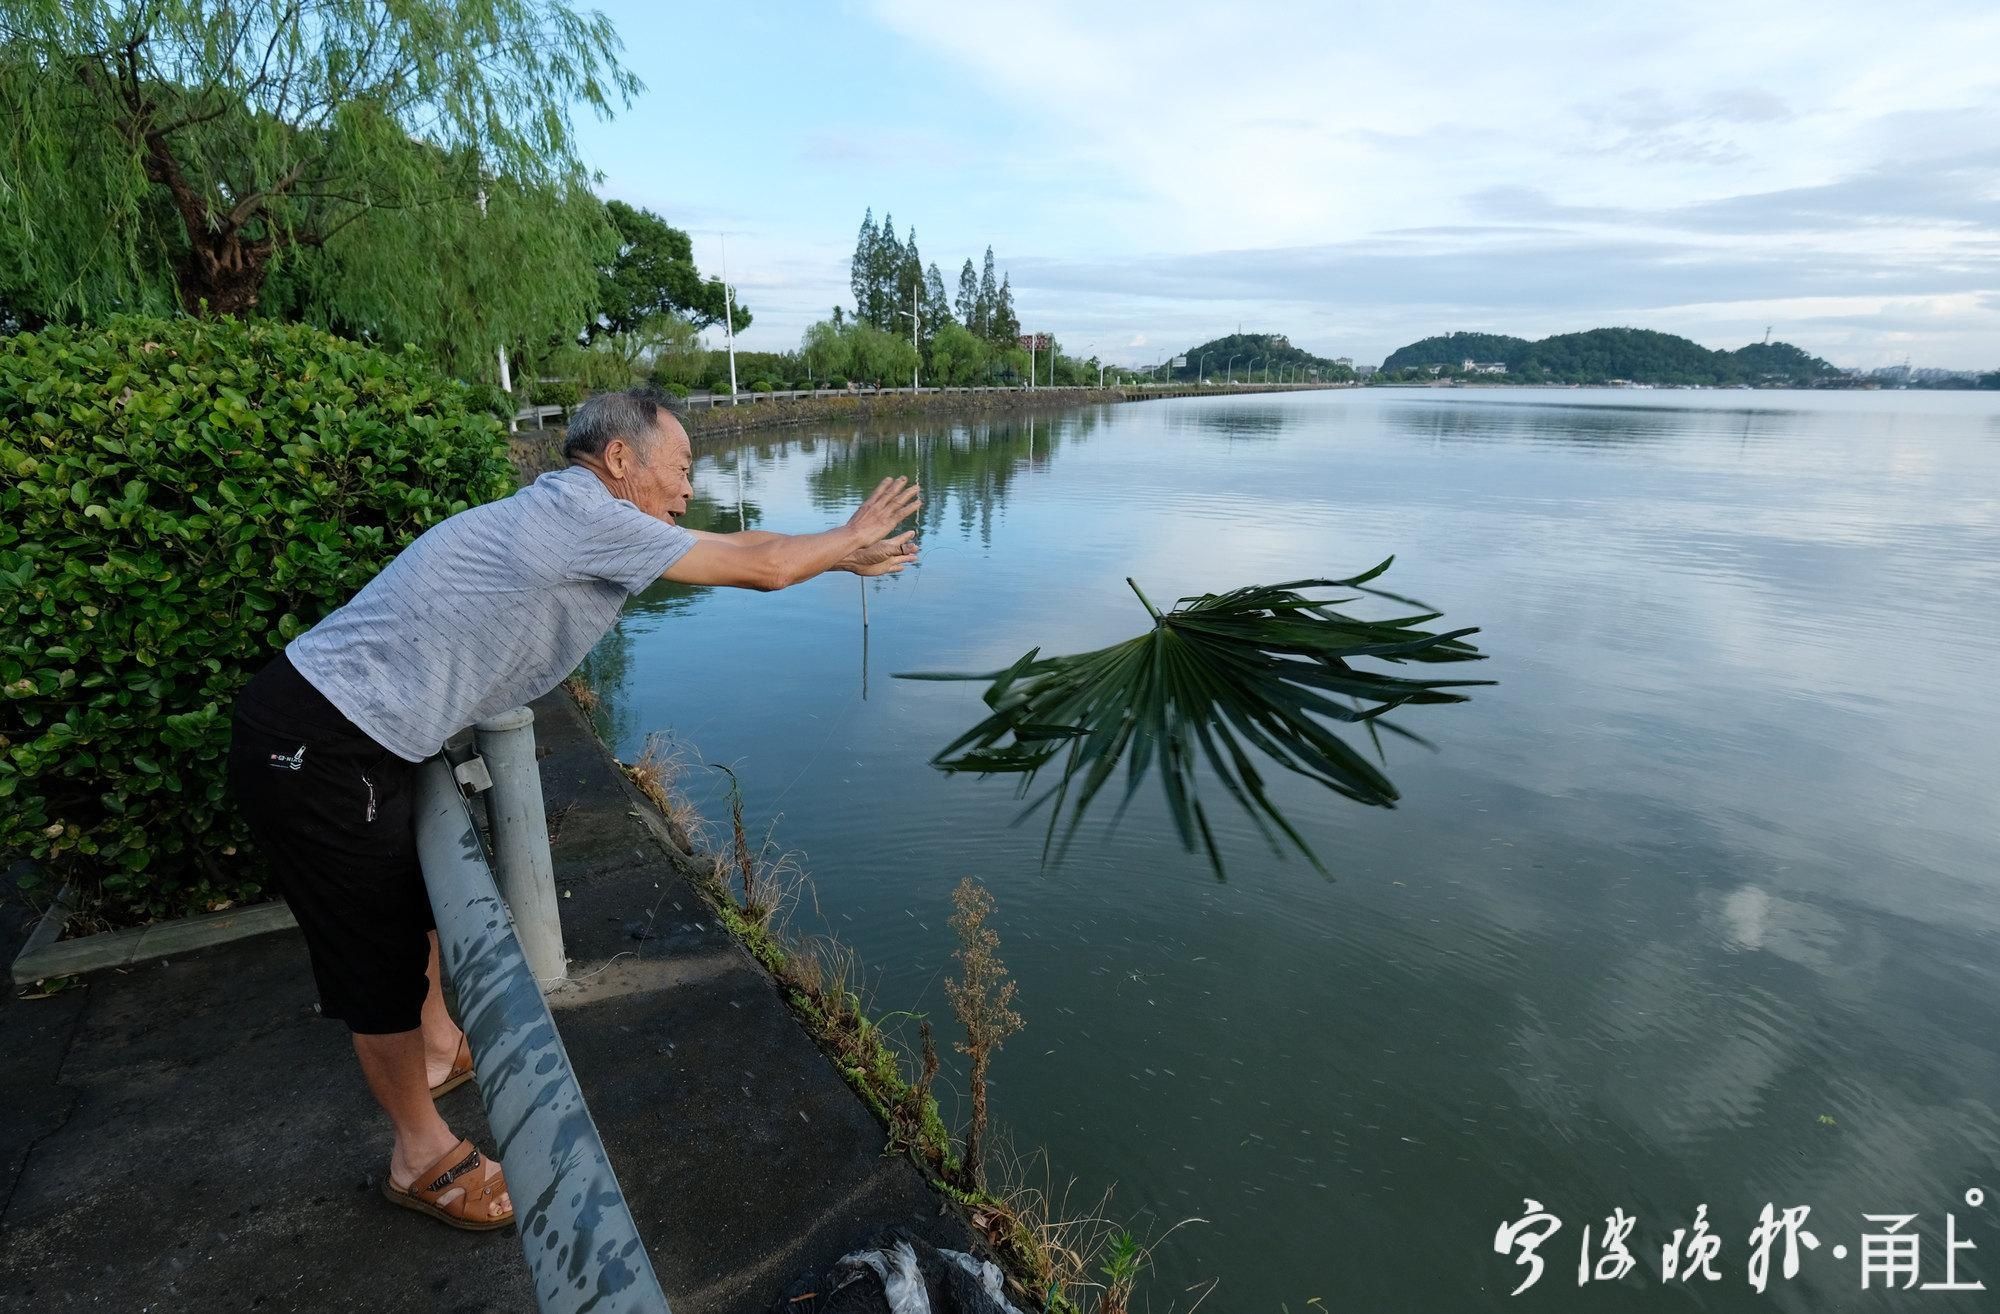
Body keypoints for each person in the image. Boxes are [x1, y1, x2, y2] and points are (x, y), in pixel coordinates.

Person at [225, 387, 920, 1230]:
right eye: (680, 469)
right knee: (371, 959)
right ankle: (419, 1155)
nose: (687, 489)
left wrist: (836, 556)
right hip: (318, 744)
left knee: (412, 909)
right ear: (618, 459)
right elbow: (764, 568)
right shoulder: (585, 518)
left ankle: (440, 1049)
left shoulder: (583, 513)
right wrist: (845, 535)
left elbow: (746, 542)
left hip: (359, 730)